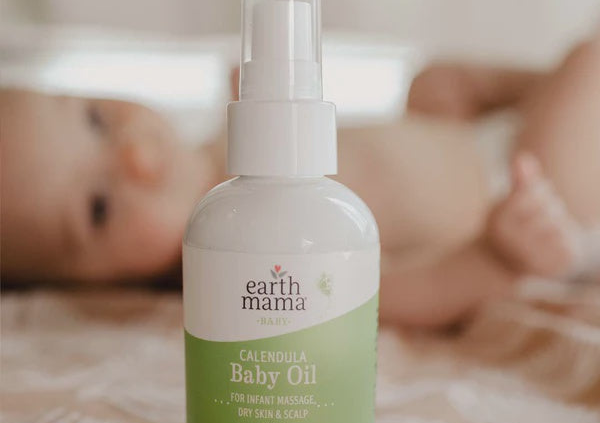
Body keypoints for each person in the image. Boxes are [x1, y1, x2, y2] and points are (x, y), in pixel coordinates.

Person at [1, 34, 599, 329]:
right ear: (95, 285)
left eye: (95, 119)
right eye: (99, 208)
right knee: (591, 60)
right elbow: (392, 295)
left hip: (478, 136)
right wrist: (497, 256)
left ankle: (548, 100)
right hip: (519, 196)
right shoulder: (254, 258)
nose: (134, 156)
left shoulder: (218, 144)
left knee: (437, 80)